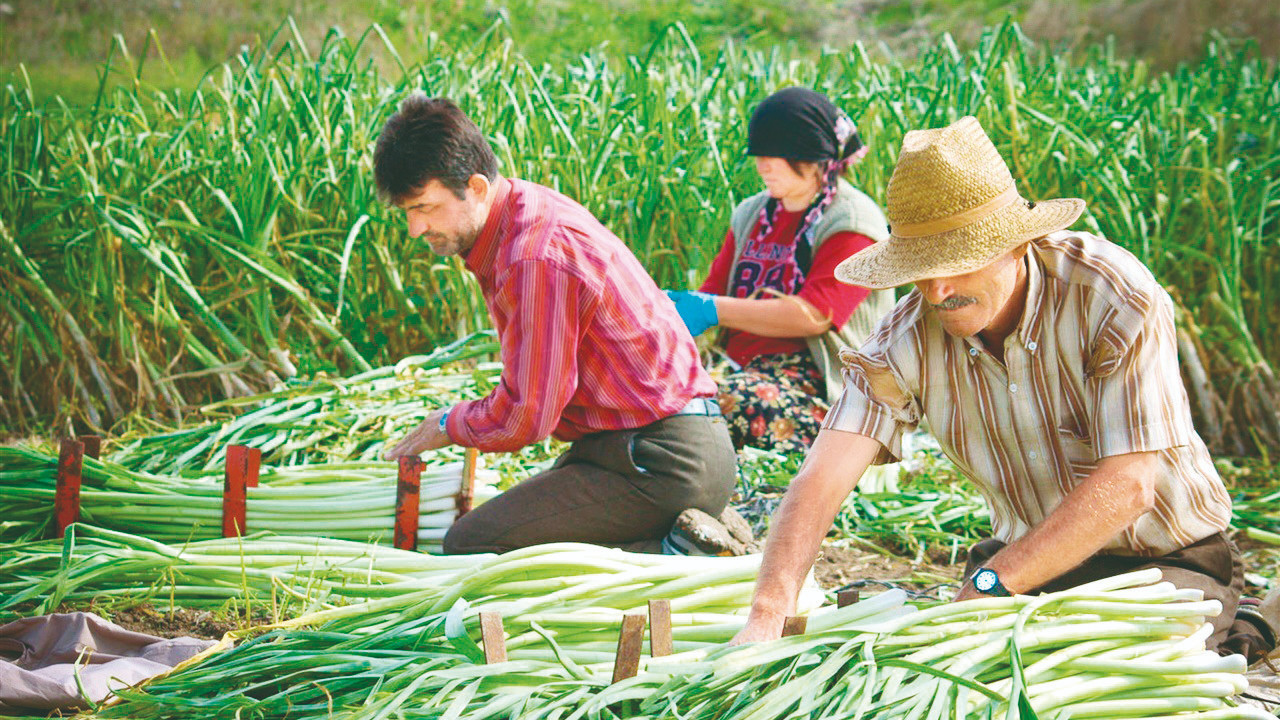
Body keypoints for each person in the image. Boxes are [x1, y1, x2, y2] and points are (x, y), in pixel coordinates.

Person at [732, 115, 1278, 661]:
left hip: (1163, 558)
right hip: (1026, 565)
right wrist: (768, 611)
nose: (939, 289)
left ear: (1018, 245)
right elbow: (822, 474)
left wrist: (991, 584)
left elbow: (1130, 485)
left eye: (958, 264)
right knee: (971, 669)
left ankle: (1251, 623)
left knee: (1110, 668)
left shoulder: (1110, 297)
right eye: (921, 269)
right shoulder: (905, 336)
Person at [374, 94, 739, 555]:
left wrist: (449, 423)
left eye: (425, 208)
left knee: (474, 544)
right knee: (519, 525)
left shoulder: (533, 256)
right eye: (407, 212)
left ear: (477, 187)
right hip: (649, 451)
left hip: (662, 462)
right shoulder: (522, 211)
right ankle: (680, 536)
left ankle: (680, 554)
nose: (415, 229)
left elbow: (529, 416)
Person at [666, 87, 894, 456]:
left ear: (818, 158)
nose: (764, 166)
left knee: (720, 407)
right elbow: (713, 288)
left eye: (779, 156)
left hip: (820, 388)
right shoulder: (751, 215)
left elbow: (815, 315)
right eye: (760, 156)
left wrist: (711, 309)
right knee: (668, 396)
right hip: (741, 367)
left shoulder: (852, 221)